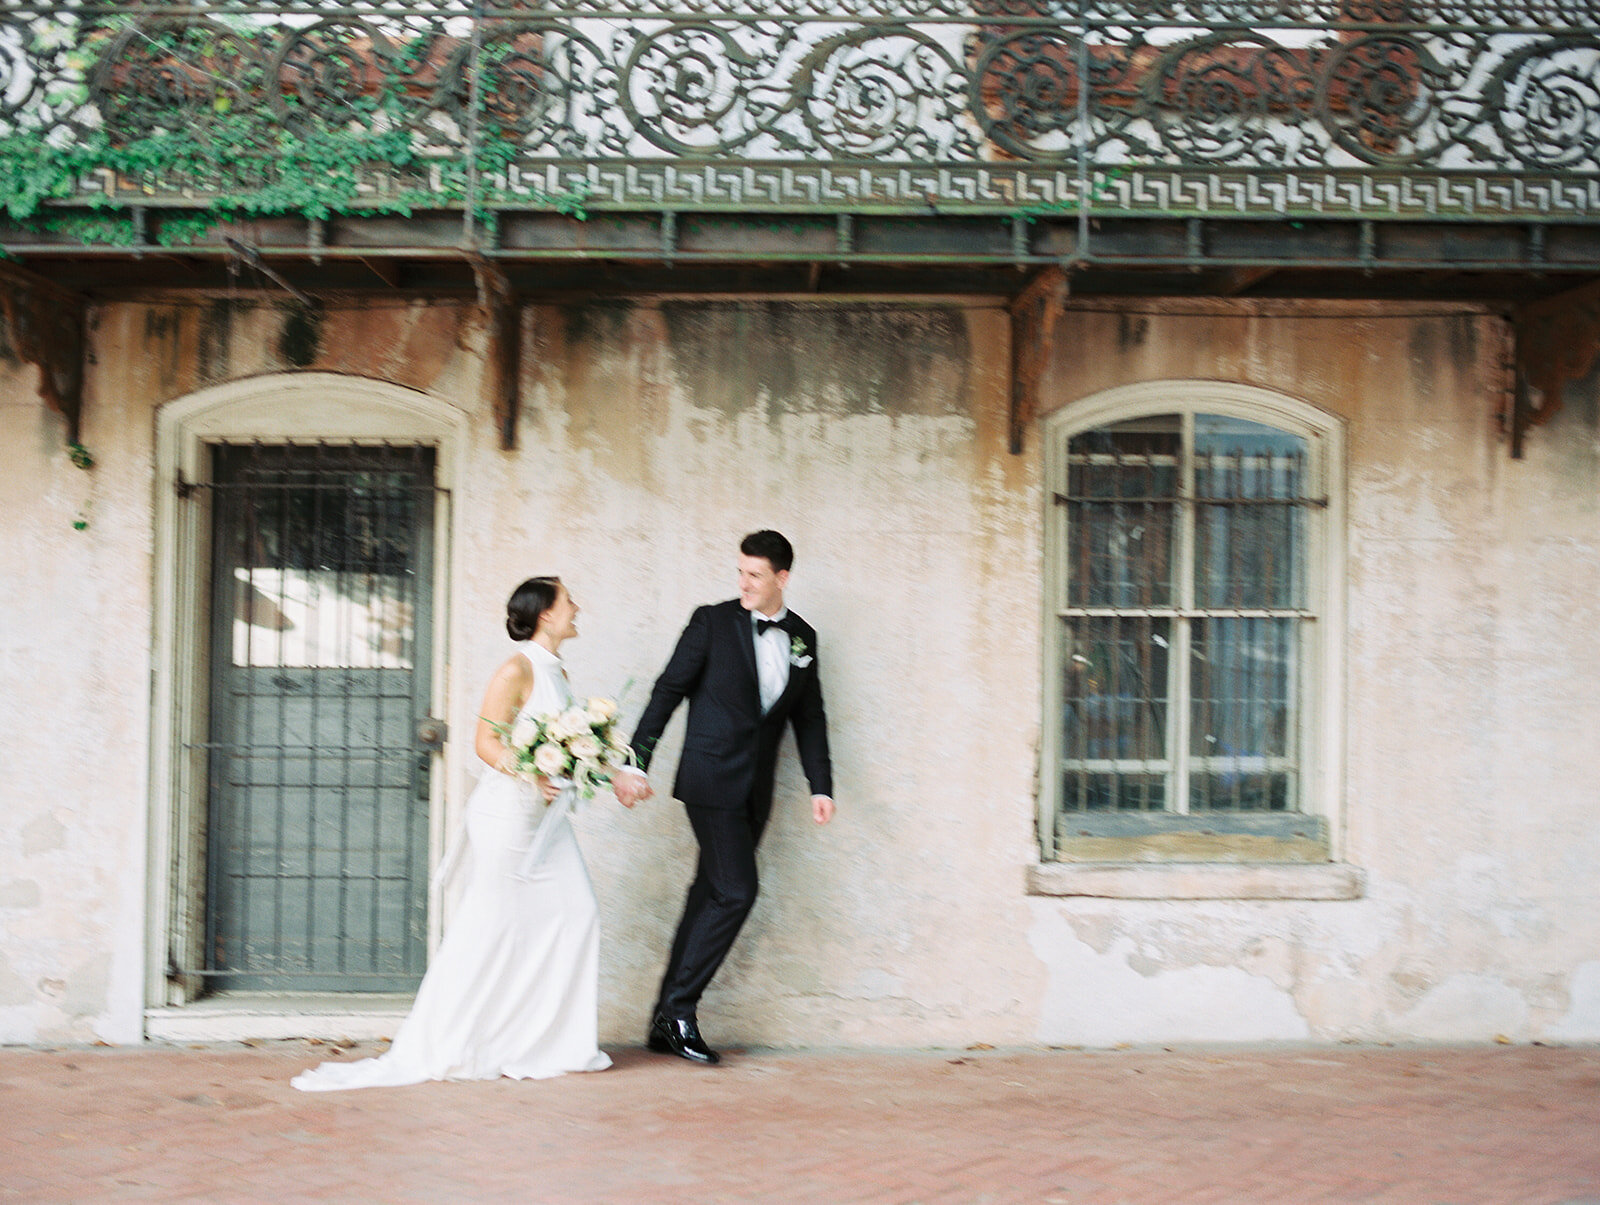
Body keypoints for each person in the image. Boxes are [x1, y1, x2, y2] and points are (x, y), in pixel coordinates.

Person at [293, 576, 645, 1091]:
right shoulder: (515, 669)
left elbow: (574, 750)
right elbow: (484, 742)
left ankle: (546, 1042)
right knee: (492, 928)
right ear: (546, 614)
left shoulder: (556, 671)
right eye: (569, 600)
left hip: (543, 823)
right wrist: (533, 774)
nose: (578, 607)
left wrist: (617, 776)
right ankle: (446, 1041)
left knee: (576, 913)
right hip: (507, 821)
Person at [614, 530, 833, 1065]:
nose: (743, 583)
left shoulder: (803, 636)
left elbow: (809, 716)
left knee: (709, 891)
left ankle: (663, 1021)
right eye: (740, 572)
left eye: (755, 574)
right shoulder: (711, 622)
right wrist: (634, 761)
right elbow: (667, 690)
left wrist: (820, 784)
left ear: (782, 577)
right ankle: (680, 1012)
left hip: (756, 790)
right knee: (737, 892)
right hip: (710, 781)